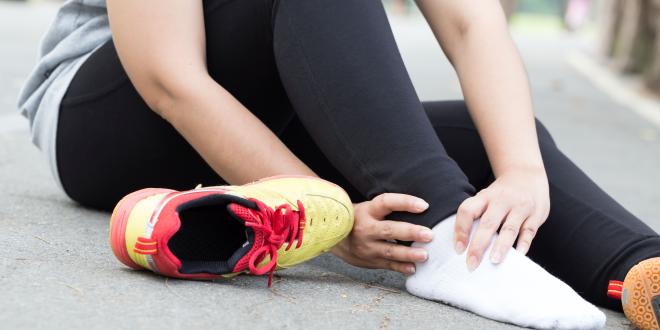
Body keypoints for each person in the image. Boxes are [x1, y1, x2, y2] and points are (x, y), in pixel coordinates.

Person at [17, 0, 660, 328]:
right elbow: (169, 80)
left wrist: (521, 171)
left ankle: (643, 272)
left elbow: (471, 25)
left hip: (271, 103)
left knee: (485, 139)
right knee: (434, 173)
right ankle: (444, 243)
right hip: (108, 116)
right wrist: (326, 211)